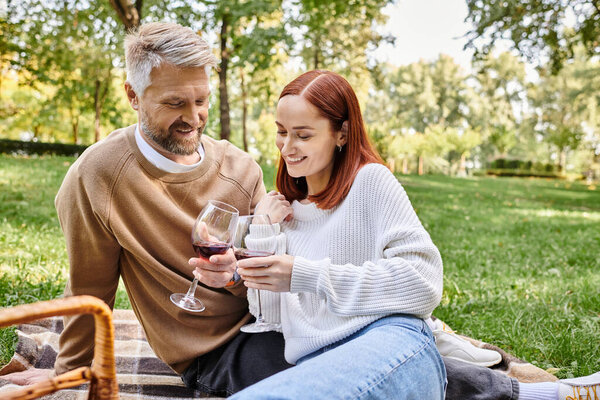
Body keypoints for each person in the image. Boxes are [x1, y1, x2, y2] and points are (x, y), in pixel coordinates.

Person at [2, 22, 597, 400]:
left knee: (376, 343)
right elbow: (90, 290)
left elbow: (274, 267)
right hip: (218, 351)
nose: (193, 116)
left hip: (283, 316)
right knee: (376, 359)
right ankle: (514, 388)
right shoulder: (99, 176)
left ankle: (500, 378)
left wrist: (240, 265)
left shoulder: (240, 167)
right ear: (133, 97)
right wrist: (68, 372)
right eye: (172, 103)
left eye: (202, 99)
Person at [233, 70, 600, 400]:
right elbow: (271, 321)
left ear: (341, 133)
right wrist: (264, 234)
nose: (287, 147)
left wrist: (305, 274)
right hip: (324, 357)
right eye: (281, 132)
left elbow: (423, 283)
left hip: (387, 336)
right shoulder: (284, 209)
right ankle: (546, 395)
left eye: (303, 135)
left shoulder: (370, 183)